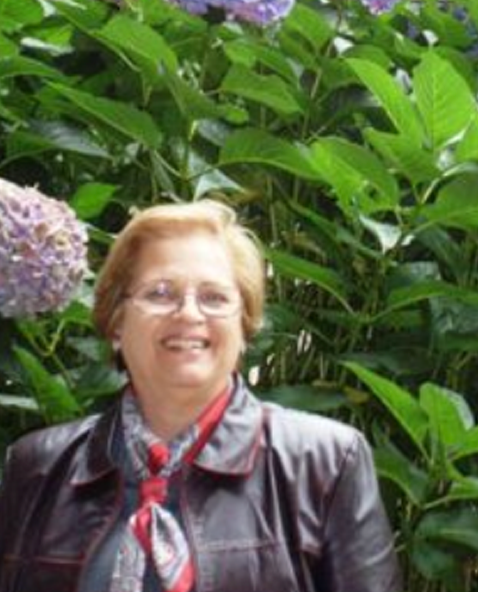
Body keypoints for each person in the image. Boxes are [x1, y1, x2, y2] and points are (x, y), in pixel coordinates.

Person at [0, 200, 401, 592]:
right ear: (117, 322)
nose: (189, 313)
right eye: (160, 293)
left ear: (244, 327)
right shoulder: (38, 467)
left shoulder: (325, 464)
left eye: (214, 297)